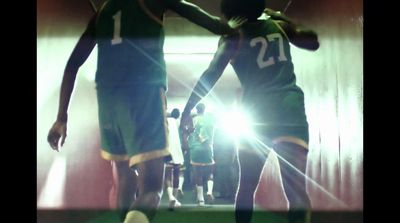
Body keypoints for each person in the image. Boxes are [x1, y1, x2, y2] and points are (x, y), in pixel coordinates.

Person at [46, 0, 241, 222]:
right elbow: (210, 22)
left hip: (108, 100)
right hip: (144, 94)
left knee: (124, 179)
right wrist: (236, 28)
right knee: (151, 189)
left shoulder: (102, 12)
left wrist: (61, 118)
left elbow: (72, 64)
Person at [180, 0, 319, 222]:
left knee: (246, 186)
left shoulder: (234, 36)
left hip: (258, 113)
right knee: (296, 191)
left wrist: (187, 111)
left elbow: (210, 74)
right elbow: (313, 42)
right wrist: (280, 16)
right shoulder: (278, 25)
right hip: (289, 109)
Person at [183, 103, 216, 206]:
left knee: (198, 174)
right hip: (208, 148)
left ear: (196, 110)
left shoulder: (192, 119)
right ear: (204, 109)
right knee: (210, 172)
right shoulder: (211, 119)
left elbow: (187, 131)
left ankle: (201, 198)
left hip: (196, 148)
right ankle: (209, 191)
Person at [164, 108, 185, 209]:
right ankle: (175, 199)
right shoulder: (178, 122)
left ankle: (171, 197)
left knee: (168, 176)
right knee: (176, 175)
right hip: (177, 151)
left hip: (167, 151)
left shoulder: (164, 121)